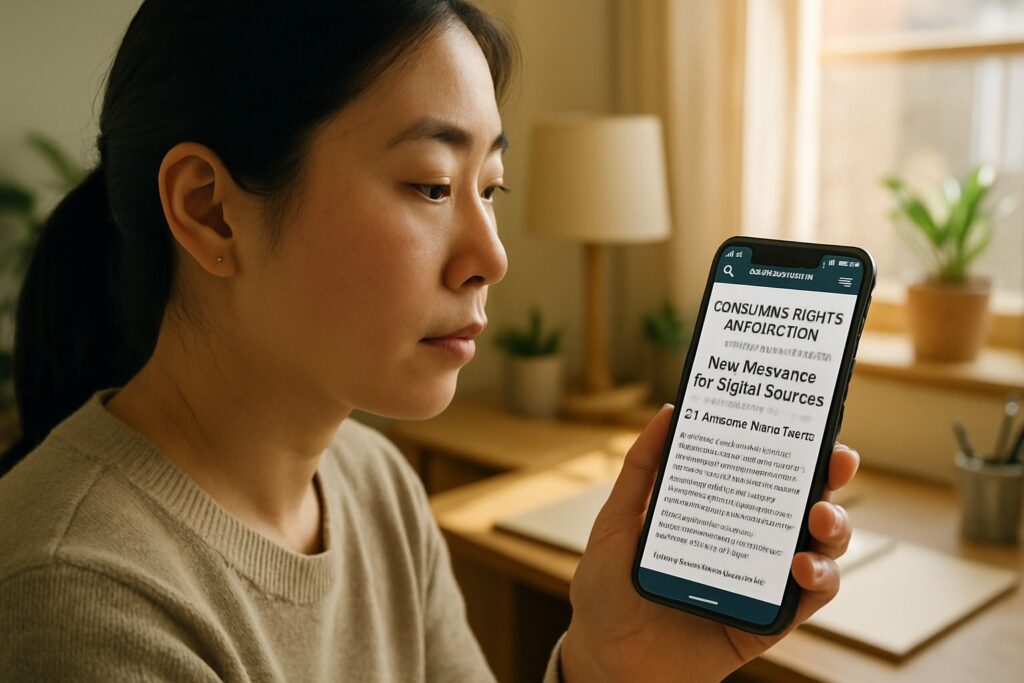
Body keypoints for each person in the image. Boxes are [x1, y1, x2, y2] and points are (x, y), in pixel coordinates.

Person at [0, 1, 858, 680]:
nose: (493, 256)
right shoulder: (76, 597)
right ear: (209, 209)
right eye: (432, 184)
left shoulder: (373, 484)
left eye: (492, 186)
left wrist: (614, 667)